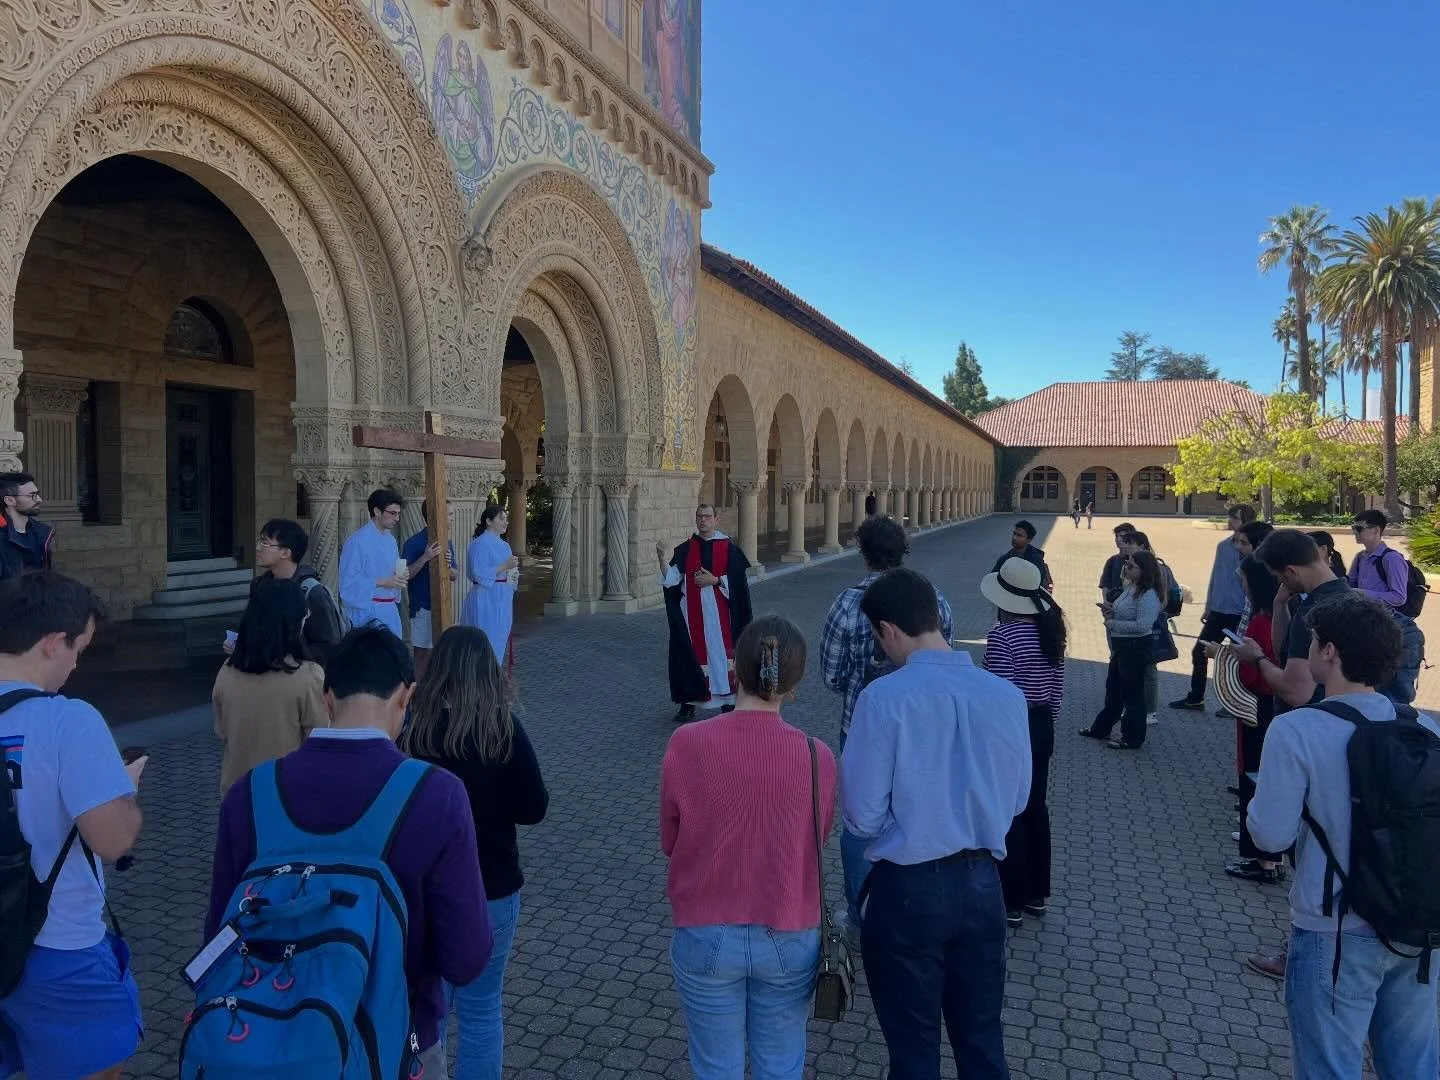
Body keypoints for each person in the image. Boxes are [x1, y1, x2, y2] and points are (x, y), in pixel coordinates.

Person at [206, 626, 493, 1077]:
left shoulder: (249, 794)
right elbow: (467, 957)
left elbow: (218, 941)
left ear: (327, 697)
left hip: (263, 1045)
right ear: (406, 697)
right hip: (397, 1045)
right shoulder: (438, 795)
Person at [842, 568, 1029, 1078]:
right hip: (984, 885)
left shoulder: (883, 699)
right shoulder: (1006, 696)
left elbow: (861, 817)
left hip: (908, 891)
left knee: (914, 1051)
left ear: (888, 630)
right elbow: (1017, 800)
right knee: (983, 1042)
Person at [1248, 596, 1438, 1079]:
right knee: (1415, 1067)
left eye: (1312, 641)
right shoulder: (1424, 727)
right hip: (1419, 922)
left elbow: (1269, 835)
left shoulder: (1298, 730)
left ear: (1329, 652)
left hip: (1332, 927)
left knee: (1330, 1067)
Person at [661, 615, 835, 1080]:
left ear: (734, 667)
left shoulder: (687, 743)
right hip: (789, 928)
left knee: (716, 1068)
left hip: (705, 927)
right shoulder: (817, 756)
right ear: (793, 683)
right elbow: (816, 837)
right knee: (781, 1066)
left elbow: (669, 839)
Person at [0, 572, 143, 1080]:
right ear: (52, 642)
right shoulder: (67, 720)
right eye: (78, 648)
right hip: (56, 946)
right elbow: (111, 840)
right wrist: (122, 789)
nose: (77, 662)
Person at [401, 626, 547, 1079]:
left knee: (431, 1007)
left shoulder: (413, 730)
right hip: (494, 885)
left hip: (426, 891)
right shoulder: (503, 729)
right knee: (483, 1007)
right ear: (488, 672)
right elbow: (534, 807)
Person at [820, 515, 955, 939]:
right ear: (903, 550)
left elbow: (832, 673)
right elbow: (942, 656)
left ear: (864, 554)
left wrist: (857, 682)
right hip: (924, 725)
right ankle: (915, 908)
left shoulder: (846, 603)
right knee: (916, 807)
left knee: (862, 821)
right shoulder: (933, 599)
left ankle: (863, 917)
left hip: (861, 725)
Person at [981, 557, 1065, 929]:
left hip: (1012, 726)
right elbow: (1058, 689)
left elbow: (998, 693)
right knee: (1035, 805)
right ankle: (1036, 893)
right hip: (1041, 722)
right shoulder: (1051, 631)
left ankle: (1010, 896)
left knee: (1009, 808)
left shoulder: (1003, 637)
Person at [1199, 557, 1284, 884]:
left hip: (1258, 708)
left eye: (1244, 581)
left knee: (1254, 780)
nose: (1242, 587)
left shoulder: (1262, 622)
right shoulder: (1277, 616)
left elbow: (1256, 672)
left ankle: (1261, 860)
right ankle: (1271, 857)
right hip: (1270, 707)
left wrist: (1222, 654)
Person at [212, 576, 328, 793]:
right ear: (294, 623)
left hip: (237, 793)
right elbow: (319, 742)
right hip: (286, 796)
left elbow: (222, 731)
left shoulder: (226, 672)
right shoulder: (308, 677)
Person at [1234, 530, 1350, 714]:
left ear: (1291, 571)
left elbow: (1296, 692)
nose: (1280, 581)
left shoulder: (1313, 611)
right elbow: (1287, 654)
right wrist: (1280, 605)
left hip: (1309, 722)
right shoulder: (1349, 597)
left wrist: (1256, 657)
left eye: (1279, 576)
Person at [658, 504, 754, 723]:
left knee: (722, 658)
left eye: (707, 517)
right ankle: (688, 703)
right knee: (690, 656)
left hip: (721, 619)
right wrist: (661, 559)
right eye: (699, 517)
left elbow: (740, 584)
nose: (703, 520)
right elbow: (672, 580)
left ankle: (728, 700)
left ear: (716, 520)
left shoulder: (729, 549)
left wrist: (716, 580)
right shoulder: (685, 548)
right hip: (693, 619)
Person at [1171, 505, 1253, 712]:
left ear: (1246, 521)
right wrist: (1209, 605)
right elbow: (1215, 576)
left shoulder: (1253, 550)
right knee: (1199, 652)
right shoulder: (1223, 546)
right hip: (1218, 611)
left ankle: (1236, 703)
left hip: (1240, 614)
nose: (1230, 521)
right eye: (1230, 517)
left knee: (1237, 659)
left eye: (1235, 518)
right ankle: (1195, 698)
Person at [1081, 549, 1165, 751]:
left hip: (1135, 648)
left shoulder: (1148, 596)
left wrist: (1112, 623)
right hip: (1122, 647)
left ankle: (1132, 737)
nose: (1126, 569)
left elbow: (1143, 626)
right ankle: (1101, 728)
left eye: (1131, 566)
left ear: (1144, 570)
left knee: (1132, 695)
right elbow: (1123, 611)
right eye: (1126, 565)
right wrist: (1111, 611)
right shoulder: (1131, 588)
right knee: (1114, 690)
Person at [1349, 510, 1426, 706]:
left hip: (1390, 628)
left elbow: (1399, 597)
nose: (1355, 533)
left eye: (1359, 528)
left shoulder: (1391, 559)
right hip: (1366, 627)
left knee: (1393, 691)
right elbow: (1351, 586)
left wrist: (1364, 594)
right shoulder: (1360, 558)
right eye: (1353, 528)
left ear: (1376, 530)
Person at [249, 517, 345, 665]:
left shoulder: (312, 592)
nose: (258, 547)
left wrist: (289, 658)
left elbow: (328, 647)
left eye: (265, 543)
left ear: (285, 553)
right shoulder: (260, 585)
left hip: (300, 678)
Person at [338, 488, 408, 638]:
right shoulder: (357, 541)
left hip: (389, 609)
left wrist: (399, 575)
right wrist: (382, 582)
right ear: (377, 511)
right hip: (367, 611)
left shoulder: (391, 541)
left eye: (398, 514)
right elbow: (347, 584)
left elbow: (390, 575)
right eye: (392, 513)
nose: (397, 518)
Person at [401, 501, 456, 678]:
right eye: (449, 514)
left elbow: (454, 575)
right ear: (436, 516)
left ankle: (436, 694)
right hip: (422, 606)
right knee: (423, 653)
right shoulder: (414, 542)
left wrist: (447, 565)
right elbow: (405, 575)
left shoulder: (446, 542)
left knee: (442, 652)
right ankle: (418, 696)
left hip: (444, 606)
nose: (451, 519)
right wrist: (425, 557)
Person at [1128, 531, 1177, 726]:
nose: (1124, 546)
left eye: (1128, 543)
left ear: (1141, 545)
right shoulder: (1131, 568)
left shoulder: (1157, 570)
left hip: (1151, 627)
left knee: (1149, 669)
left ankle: (1150, 710)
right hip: (1136, 628)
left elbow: (1164, 598)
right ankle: (1136, 706)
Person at [462, 505, 519, 663]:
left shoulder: (504, 545)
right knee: (485, 639)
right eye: (501, 518)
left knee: (499, 641)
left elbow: (510, 572)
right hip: (485, 597)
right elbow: (479, 573)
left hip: (502, 597)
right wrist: (505, 566)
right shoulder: (479, 544)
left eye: (506, 519)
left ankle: (493, 678)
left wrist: (513, 572)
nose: (505, 522)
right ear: (488, 521)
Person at [0, 472, 53, 581]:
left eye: (37, 494)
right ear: (9, 500)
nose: (39, 499)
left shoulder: (43, 532)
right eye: (31, 495)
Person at [993, 520, 1053, 590]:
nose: (1014, 538)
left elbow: (1039, 585)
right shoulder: (1004, 559)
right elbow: (993, 579)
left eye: (1019, 535)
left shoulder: (1036, 560)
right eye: (1014, 534)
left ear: (1029, 540)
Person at [1098, 522, 1137, 602]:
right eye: (1116, 536)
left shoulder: (1139, 561)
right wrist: (1106, 602)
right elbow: (1106, 585)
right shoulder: (1112, 561)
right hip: (1115, 605)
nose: (1118, 539)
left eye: (1122, 536)